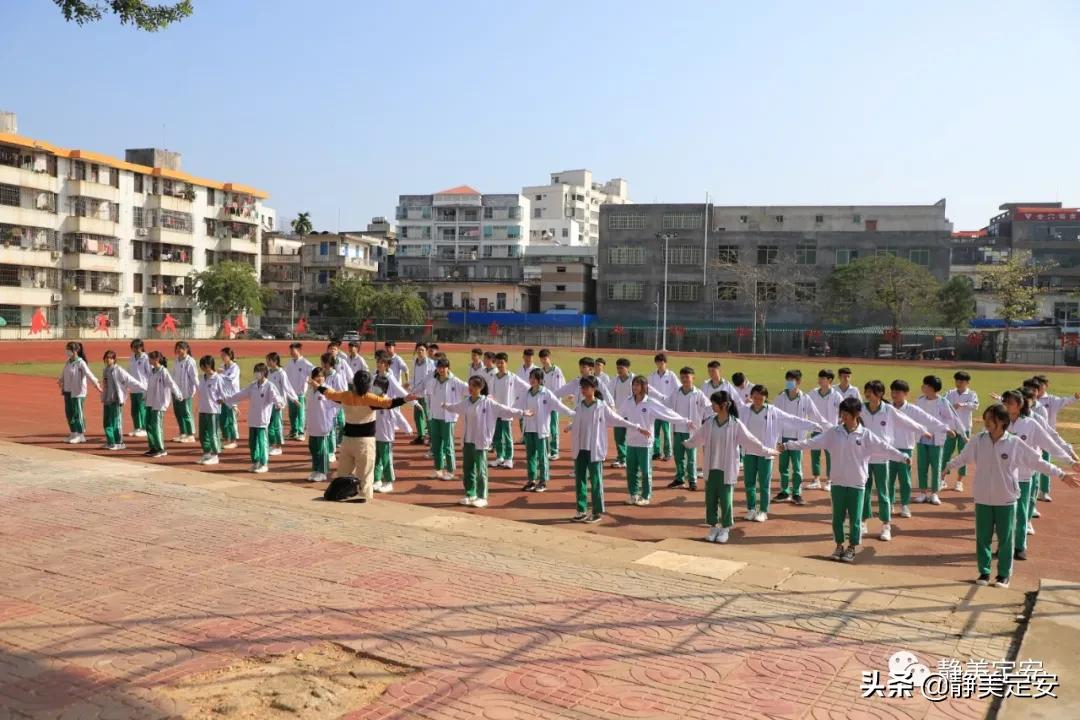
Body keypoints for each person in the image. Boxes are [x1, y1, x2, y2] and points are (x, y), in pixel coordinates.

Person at [945, 403, 1076, 589]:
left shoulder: (1014, 443)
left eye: (991, 419)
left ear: (1003, 422)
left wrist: (1061, 474)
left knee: (1006, 539)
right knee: (983, 537)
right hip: (982, 497)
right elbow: (963, 457)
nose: (987, 422)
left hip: (1006, 499)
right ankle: (984, 571)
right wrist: (948, 466)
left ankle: (1003, 575)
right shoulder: (978, 440)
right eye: (986, 419)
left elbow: (1037, 461)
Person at [784, 398, 909, 563]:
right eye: (841, 412)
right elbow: (811, 442)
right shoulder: (834, 432)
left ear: (856, 414)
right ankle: (839, 545)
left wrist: (903, 456)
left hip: (857, 483)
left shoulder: (865, 435)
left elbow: (885, 448)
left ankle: (852, 547)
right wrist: (788, 446)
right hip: (837, 482)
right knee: (837, 518)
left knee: (855, 519)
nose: (843, 416)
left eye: (846, 413)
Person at [684, 390, 779, 543]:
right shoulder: (709, 422)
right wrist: (686, 444)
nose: (712, 405)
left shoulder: (735, 424)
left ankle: (725, 528)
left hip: (726, 469)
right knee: (710, 499)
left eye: (714, 403)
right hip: (711, 467)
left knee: (725, 500)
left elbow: (751, 441)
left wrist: (767, 450)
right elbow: (698, 437)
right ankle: (713, 526)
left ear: (724, 405)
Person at [998, 389, 1078, 561]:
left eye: (1009, 402)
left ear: (1019, 405)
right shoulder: (1000, 422)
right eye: (1004, 402)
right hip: (1002, 477)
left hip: (1024, 477)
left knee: (1021, 513)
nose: (1005, 405)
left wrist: (1070, 462)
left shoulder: (1030, 424)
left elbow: (1050, 444)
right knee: (1003, 514)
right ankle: (1003, 545)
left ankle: (1019, 546)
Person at [312, 369, 412, 500]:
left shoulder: (346, 396)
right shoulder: (369, 398)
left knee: (343, 474)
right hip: (365, 443)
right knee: (365, 477)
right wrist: (405, 398)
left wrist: (318, 386)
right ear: (367, 385)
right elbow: (389, 403)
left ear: (354, 382)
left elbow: (330, 394)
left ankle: (340, 498)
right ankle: (364, 500)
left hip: (347, 441)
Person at [569, 376, 649, 523]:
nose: (583, 390)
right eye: (582, 387)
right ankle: (581, 510)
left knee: (595, 481)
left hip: (594, 450)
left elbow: (618, 420)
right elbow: (577, 422)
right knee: (579, 480)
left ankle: (597, 512)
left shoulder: (601, 406)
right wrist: (570, 427)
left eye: (586, 387)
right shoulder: (580, 406)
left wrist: (638, 428)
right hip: (580, 449)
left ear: (593, 389)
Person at [741, 384, 824, 522]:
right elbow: (735, 423)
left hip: (766, 453)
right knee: (749, 483)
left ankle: (763, 511)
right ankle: (751, 509)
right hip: (749, 451)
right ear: (751, 396)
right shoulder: (744, 410)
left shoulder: (773, 411)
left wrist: (813, 425)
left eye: (760, 397)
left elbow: (792, 420)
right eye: (755, 396)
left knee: (764, 483)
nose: (757, 399)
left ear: (765, 397)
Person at [860, 380, 931, 537]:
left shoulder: (888, 410)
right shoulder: (861, 409)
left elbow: (906, 421)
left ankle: (886, 526)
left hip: (882, 458)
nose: (867, 394)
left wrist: (922, 430)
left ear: (879, 394)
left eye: (870, 391)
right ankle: (863, 522)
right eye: (866, 391)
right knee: (864, 490)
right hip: (864, 457)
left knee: (883, 492)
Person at [443, 376, 528, 508]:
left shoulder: (488, 403)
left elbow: (505, 410)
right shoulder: (466, 402)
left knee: (481, 470)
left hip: (480, 442)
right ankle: (470, 494)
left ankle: (482, 496)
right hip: (467, 441)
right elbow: (455, 407)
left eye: (474, 386)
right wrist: (446, 406)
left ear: (480, 388)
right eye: (470, 385)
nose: (471, 388)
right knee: (468, 469)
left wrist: (522, 412)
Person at [620, 375, 685, 504]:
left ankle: (645, 496)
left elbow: (667, 413)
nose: (635, 387)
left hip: (645, 443)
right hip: (631, 442)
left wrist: (684, 420)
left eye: (638, 385)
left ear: (644, 387)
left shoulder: (650, 402)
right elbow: (619, 416)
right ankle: (633, 494)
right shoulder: (627, 401)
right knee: (631, 471)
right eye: (633, 384)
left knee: (645, 471)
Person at [890, 380, 950, 513]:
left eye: (898, 391)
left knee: (905, 479)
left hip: (906, 447)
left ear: (905, 393)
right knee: (889, 479)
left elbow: (928, 419)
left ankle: (905, 506)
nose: (894, 394)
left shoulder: (912, 409)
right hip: (889, 448)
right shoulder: (887, 407)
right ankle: (890, 504)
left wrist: (945, 428)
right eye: (893, 391)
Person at [773, 369, 829, 505]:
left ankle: (796, 493)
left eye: (791, 380)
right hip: (782, 438)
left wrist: (827, 427)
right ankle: (784, 491)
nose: (789, 383)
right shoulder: (780, 398)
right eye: (787, 380)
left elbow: (816, 415)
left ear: (798, 382)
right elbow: (773, 416)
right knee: (783, 467)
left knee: (797, 468)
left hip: (798, 439)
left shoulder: (805, 399)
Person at [517, 368, 575, 492]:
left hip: (541, 430)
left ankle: (543, 481)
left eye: (535, 378)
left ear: (540, 380)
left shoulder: (546, 393)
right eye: (531, 378)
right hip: (529, 429)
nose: (532, 380)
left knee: (542, 456)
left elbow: (559, 406)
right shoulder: (527, 393)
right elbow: (516, 407)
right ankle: (531, 480)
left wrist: (574, 414)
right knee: (530, 456)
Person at [225, 362, 286, 474]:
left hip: (262, 421)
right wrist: (227, 399)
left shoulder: (269, 386)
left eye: (258, 371)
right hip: (252, 419)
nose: (256, 373)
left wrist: (279, 403)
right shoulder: (253, 385)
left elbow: (276, 397)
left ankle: (264, 463)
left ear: (264, 373)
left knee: (262, 442)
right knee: (252, 443)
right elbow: (241, 394)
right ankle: (256, 462)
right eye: (255, 371)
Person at [914, 375, 966, 505]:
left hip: (937, 440)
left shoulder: (942, 402)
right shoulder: (920, 400)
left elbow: (954, 418)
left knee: (936, 467)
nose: (922, 387)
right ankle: (923, 492)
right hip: (922, 438)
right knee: (922, 466)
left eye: (925, 385)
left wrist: (962, 434)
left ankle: (934, 494)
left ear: (931, 388)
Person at [1032, 374, 1080, 502]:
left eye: (1041, 385)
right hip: (1031, 437)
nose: (1038, 388)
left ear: (1046, 386)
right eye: (1036, 385)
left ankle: (1044, 492)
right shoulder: (1029, 400)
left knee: (1046, 463)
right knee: (1032, 463)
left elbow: (1066, 401)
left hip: (1047, 436)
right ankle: (1031, 491)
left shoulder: (1051, 400)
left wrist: (1075, 397)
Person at [423, 357, 470, 480]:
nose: (441, 370)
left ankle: (450, 470)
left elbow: (469, 389)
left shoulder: (455, 381)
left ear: (448, 368)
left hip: (448, 418)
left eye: (444, 367)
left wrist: (485, 394)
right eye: (439, 367)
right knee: (436, 445)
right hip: (434, 417)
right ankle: (438, 469)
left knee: (448, 445)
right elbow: (426, 393)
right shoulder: (432, 381)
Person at [669, 367, 712, 489]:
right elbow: (666, 405)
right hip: (677, 429)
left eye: (687, 377)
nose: (684, 379)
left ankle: (692, 480)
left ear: (693, 378)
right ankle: (679, 478)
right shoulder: (675, 393)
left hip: (692, 432)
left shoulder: (698, 394)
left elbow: (709, 408)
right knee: (678, 456)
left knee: (691, 458)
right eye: (682, 377)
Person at [489, 352, 528, 468]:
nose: (500, 365)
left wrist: (517, 403)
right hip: (496, 411)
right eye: (498, 362)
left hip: (507, 411)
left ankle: (509, 458)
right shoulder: (494, 377)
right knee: (497, 436)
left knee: (507, 435)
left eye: (502, 362)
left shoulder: (512, 377)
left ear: (506, 363)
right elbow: (491, 393)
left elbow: (526, 387)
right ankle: (499, 457)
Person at [806, 369, 844, 491]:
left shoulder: (836, 395)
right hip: (816, 428)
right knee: (815, 455)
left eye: (823, 378)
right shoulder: (813, 393)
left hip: (831, 431)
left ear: (829, 380)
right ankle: (816, 479)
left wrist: (839, 423)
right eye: (820, 378)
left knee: (830, 456)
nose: (820, 380)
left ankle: (829, 480)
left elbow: (843, 411)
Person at [942, 371, 980, 492]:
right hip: (951, 429)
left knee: (963, 455)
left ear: (967, 383)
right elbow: (942, 403)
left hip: (965, 429)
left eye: (962, 381)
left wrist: (962, 404)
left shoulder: (972, 394)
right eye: (957, 381)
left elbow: (975, 406)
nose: (959, 383)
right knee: (946, 453)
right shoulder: (949, 393)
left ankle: (959, 482)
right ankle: (942, 479)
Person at [100, 349, 145, 450]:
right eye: (106, 358)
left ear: (114, 359)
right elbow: (106, 385)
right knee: (107, 422)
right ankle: (110, 441)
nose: (108, 360)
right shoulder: (105, 370)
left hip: (115, 400)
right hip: (107, 400)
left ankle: (119, 442)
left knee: (116, 422)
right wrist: (103, 396)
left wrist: (144, 387)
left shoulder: (118, 370)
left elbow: (130, 379)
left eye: (110, 358)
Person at [57, 341, 100, 444]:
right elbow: (64, 372)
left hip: (78, 392)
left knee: (77, 413)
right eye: (66, 349)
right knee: (69, 413)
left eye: (69, 349)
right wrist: (60, 380)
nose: (67, 351)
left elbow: (89, 374)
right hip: (67, 390)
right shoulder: (68, 362)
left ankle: (81, 434)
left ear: (75, 350)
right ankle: (73, 432)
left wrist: (96, 384)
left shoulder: (81, 363)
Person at [372, 373, 408, 494]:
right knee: (375, 459)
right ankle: (376, 479)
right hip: (375, 435)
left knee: (386, 459)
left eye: (377, 386)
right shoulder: (373, 400)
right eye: (374, 385)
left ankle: (389, 481)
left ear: (383, 388)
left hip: (386, 436)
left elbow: (398, 416)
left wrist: (407, 428)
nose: (374, 388)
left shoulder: (389, 402)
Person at [143, 351, 181, 458]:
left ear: (156, 360)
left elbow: (171, 383)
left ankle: (161, 448)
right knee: (148, 425)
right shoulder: (151, 371)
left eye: (150, 358)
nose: (148, 360)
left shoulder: (163, 371)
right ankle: (153, 447)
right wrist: (145, 396)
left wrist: (178, 394)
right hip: (150, 402)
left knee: (156, 426)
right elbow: (149, 386)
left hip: (159, 403)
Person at [303, 367, 336, 482]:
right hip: (312, 424)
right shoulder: (310, 391)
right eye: (317, 376)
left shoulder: (328, 390)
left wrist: (329, 417)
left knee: (322, 450)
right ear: (312, 378)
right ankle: (315, 470)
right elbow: (307, 408)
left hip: (322, 424)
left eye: (322, 376)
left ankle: (323, 471)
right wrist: (305, 423)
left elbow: (337, 405)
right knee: (313, 449)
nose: (320, 378)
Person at [265, 352, 298, 457]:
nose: (267, 362)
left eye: (269, 360)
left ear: (275, 361)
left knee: (277, 425)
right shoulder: (268, 372)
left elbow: (287, 387)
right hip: (268, 403)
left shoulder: (281, 373)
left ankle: (278, 446)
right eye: (267, 360)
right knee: (268, 424)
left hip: (278, 403)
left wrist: (294, 399)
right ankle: (271, 444)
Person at [195, 355, 227, 465]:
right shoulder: (202, 378)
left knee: (213, 433)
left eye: (203, 366)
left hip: (213, 410)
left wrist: (221, 399)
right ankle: (207, 453)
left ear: (209, 365)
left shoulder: (217, 378)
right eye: (201, 366)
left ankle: (215, 454)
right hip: (202, 409)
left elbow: (223, 394)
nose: (202, 368)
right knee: (202, 434)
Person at [650, 353, 679, 460]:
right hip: (655, 407)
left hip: (666, 408)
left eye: (662, 362)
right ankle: (656, 452)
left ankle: (668, 453)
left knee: (666, 432)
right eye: (658, 362)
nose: (660, 364)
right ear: (656, 363)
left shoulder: (671, 375)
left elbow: (678, 388)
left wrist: (671, 400)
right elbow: (648, 389)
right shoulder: (652, 376)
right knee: (655, 431)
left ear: (665, 363)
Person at [321, 351, 350, 456]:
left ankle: (331, 451)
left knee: (331, 429)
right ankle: (326, 449)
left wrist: (336, 404)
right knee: (325, 429)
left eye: (322, 362)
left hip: (333, 408)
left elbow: (342, 392)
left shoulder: (336, 376)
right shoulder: (322, 375)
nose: (321, 364)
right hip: (324, 407)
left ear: (328, 363)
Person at [609, 358, 636, 468]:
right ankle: (622, 458)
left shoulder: (634, 379)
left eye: (621, 368)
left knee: (632, 437)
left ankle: (630, 457)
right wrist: (612, 408)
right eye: (618, 368)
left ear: (627, 368)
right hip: (618, 413)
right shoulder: (615, 380)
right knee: (619, 437)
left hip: (632, 413)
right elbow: (609, 395)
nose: (619, 370)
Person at [538, 349, 565, 460]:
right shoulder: (540, 371)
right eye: (542, 358)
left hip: (553, 404)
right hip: (543, 404)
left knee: (553, 427)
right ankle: (546, 450)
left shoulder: (556, 370)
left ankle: (554, 451)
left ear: (549, 357)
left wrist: (554, 401)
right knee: (544, 427)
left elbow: (559, 388)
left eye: (545, 358)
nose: (544, 360)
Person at [285, 343, 315, 441]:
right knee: (292, 414)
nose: (291, 353)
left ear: (299, 351)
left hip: (300, 393)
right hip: (291, 394)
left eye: (293, 351)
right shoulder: (289, 363)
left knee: (300, 413)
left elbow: (315, 371)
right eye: (290, 351)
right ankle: (294, 432)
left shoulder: (305, 363)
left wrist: (312, 381)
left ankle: (301, 432)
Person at [171, 341, 198, 443]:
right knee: (178, 413)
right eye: (177, 348)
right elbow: (173, 375)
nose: (178, 350)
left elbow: (194, 377)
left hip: (186, 392)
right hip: (176, 391)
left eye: (180, 348)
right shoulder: (176, 360)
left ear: (186, 349)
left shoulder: (190, 361)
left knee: (186, 413)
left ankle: (190, 434)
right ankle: (183, 433)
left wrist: (197, 389)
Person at [410, 342, 435, 446]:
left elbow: (433, 378)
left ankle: (432, 437)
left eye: (422, 350)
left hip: (426, 394)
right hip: (416, 392)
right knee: (417, 416)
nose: (420, 352)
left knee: (428, 415)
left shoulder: (431, 363)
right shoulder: (414, 362)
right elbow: (413, 377)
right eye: (418, 350)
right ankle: (421, 436)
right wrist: (410, 387)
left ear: (426, 351)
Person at [218, 347, 241, 449]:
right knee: (222, 419)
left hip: (232, 397)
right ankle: (226, 437)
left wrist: (220, 374)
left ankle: (233, 440)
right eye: (221, 355)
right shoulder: (222, 366)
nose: (222, 357)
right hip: (223, 396)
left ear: (230, 356)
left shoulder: (235, 367)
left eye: (224, 355)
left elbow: (230, 379)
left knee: (231, 419)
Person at [127, 338, 150, 438]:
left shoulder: (146, 358)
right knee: (134, 410)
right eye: (133, 347)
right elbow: (129, 371)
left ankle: (145, 428)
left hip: (142, 387)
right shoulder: (132, 357)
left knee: (142, 409)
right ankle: (137, 428)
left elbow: (149, 373)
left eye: (137, 347)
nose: (135, 349)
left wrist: (149, 387)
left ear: (141, 347)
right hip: (133, 388)